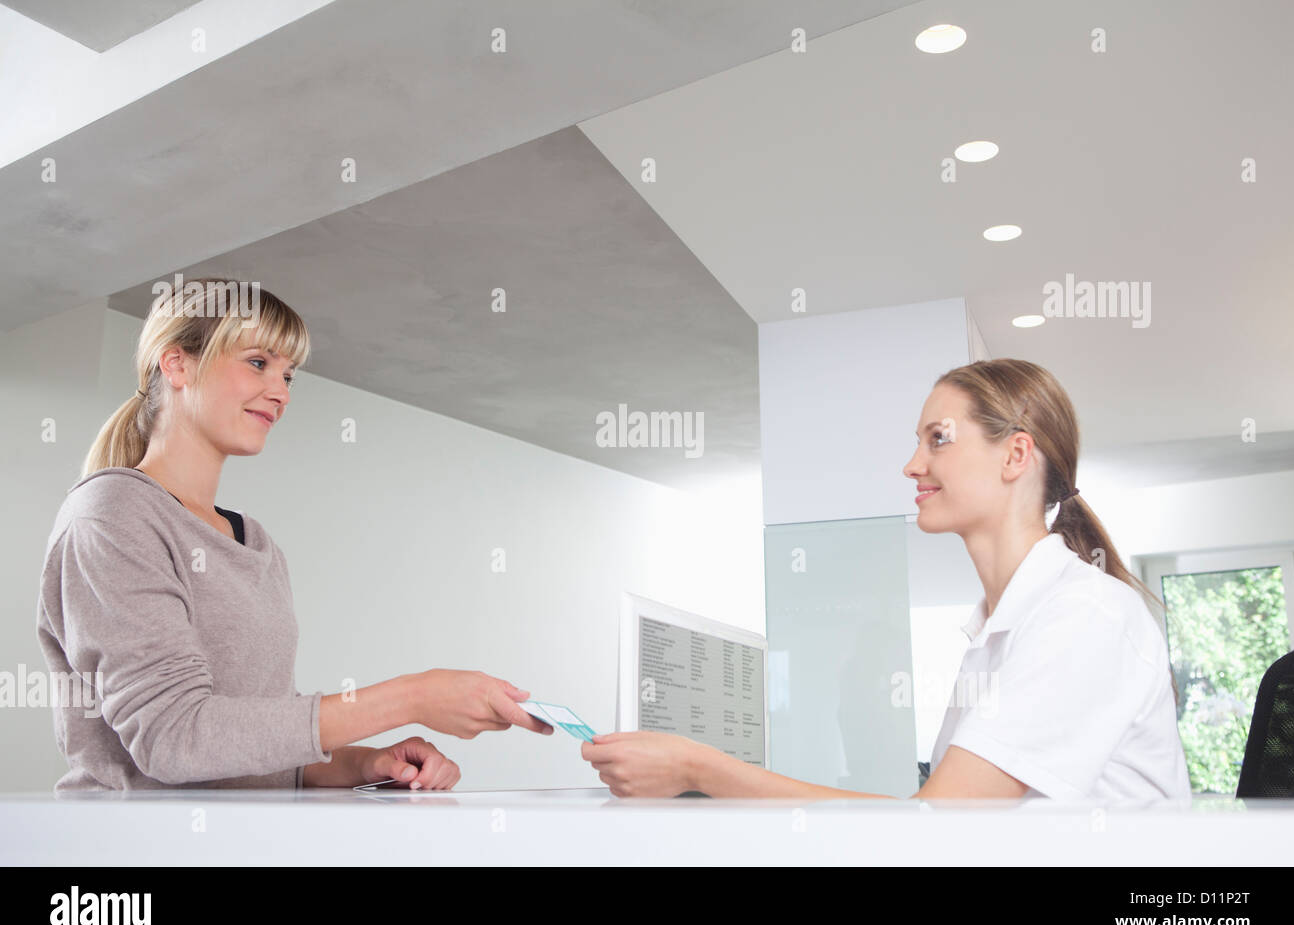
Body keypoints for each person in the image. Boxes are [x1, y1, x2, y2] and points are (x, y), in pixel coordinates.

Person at [581, 358, 1192, 803]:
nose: (912, 465)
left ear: (1014, 456)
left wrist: (700, 770)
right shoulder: (996, 633)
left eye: (939, 440)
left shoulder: (1086, 615)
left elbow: (937, 831)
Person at [36, 277, 551, 792]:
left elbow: (256, 746)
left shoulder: (253, 542)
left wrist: (364, 764)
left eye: (289, 375)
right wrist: (412, 697)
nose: (280, 392)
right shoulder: (111, 515)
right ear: (177, 364)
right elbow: (176, 738)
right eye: (258, 363)